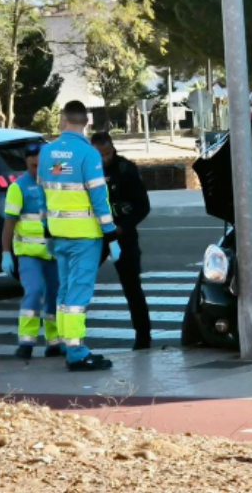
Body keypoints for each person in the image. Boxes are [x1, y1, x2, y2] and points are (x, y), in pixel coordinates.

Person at [39, 100, 120, 372]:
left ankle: (65, 342)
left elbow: (43, 196)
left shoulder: (47, 153)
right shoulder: (88, 155)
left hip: (58, 233)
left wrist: (47, 229)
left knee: (64, 290)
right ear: (87, 122)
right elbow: (99, 198)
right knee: (78, 293)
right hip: (85, 235)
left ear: (62, 120)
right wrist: (111, 235)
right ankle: (76, 352)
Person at [91, 131, 153, 350]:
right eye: (100, 155)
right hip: (95, 236)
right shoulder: (85, 170)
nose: (105, 159)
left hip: (122, 234)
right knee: (81, 282)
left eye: (108, 153)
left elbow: (143, 206)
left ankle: (143, 337)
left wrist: (122, 228)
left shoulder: (125, 169)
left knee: (132, 286)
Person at [1, 141, 62, 360]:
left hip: (54, 253)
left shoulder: (56, 180)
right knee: (34, 292)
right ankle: (26, 342)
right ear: (26, 163)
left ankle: (54, 342)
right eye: (33, 165)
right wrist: (6, 253)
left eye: (40, 165)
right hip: (28, 254)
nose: (37, 170)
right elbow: (9, 223)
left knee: (54, 296)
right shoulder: (19, 187)